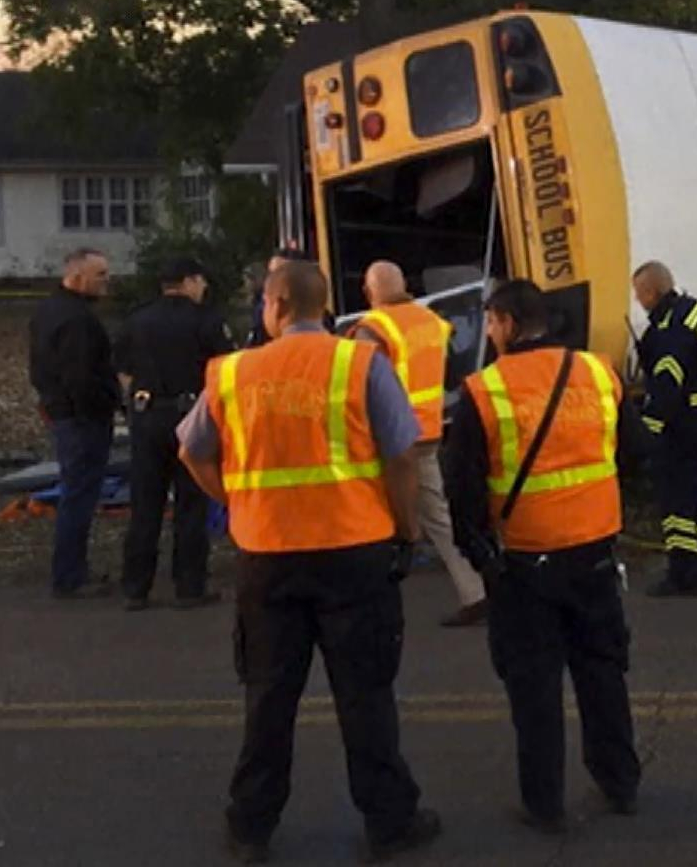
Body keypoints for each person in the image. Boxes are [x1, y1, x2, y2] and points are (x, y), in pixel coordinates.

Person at [177, 260, 441, 865]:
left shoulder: (233, 372)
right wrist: (405, 525)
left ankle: (250, 827)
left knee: (269, 698)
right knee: (365, 694)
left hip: (267, 558)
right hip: (354, 554)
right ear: (323, 306)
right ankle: (390, 821)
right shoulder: (359, 363)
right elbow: (402, 455)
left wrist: (239, 501)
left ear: (274, 304)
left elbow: (191, 451)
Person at [444, 280, 640, 831]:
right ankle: (619, 782)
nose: (488, 332)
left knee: (534, 686)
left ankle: (545, 802)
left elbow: (462, 488)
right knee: (603, 670)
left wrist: (479, 554)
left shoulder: (484, 392)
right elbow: (630, 451)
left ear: (505, 322)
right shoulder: (600, 374)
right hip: (596, 551)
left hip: (525, 561)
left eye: (489, 322)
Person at [353, 260, 485, 627]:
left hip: (388, 436)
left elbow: (362, 384)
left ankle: (366, 597)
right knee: (438, 515)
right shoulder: (431, 321)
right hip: (428, 429)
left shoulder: (373, 329)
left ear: (369, 292)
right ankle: (477, 589)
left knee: (369, 510)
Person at [115, 256, 234, 612]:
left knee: (145, 504)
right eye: (201, 281)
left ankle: (136, 588)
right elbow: (224, 369)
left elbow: (121, 369)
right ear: (189, 281)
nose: (205, 288)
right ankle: (189, 586)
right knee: (191, 504)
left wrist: (136, 405)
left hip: (147, 416)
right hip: (192, 415)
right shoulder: (206, 320)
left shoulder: (137, 319)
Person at [630, 261, 697, 597]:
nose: (638, 301)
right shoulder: (695, 311)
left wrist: (646, 433)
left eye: (639, 294)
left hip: (683, 426)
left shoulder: (666, 335)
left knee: (676, 501)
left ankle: (684, 572)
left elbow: (666, 389)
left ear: (651, 292)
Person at [28, 248, 121, 599]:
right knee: (79, 495)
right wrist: (100, 406)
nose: (106, 282)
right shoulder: (78, 321)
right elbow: (80, 375)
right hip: (82, 418)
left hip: (63, 412)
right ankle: (70, 576)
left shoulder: (49, 311)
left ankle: (72, 571)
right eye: (101, 275)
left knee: (76, 492)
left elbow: (39, 366)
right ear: (78, 275)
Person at [245, 247, 310, 347]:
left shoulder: (324, 324)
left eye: (279, 275)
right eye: (270, 275)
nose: (271, 282)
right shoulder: (263, 316)